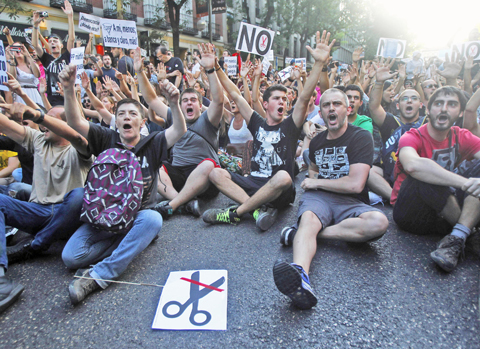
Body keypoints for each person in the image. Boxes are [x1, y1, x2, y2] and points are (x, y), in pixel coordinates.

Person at [60, 58, 187, 304]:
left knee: (153, 218)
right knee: (70, 258)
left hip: (136, 217)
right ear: (115, 122)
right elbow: (75, 122)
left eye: (132, 114)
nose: (126, 117)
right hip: (102, 218)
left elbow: (179, 130)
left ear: (141, 122)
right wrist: (67, 89)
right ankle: (129, 244)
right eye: (121, 114)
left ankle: (98, 276)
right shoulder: (105, 138)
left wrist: (174, 103)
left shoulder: (153, 143)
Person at [202, 30, 335, 231]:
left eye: (284, 98)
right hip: (254, 181)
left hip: (280, 189)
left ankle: (235, 213)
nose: (282, 101)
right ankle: (256, 210)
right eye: (276, 98)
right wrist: (216, 68)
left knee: (284, 177)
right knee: (215, 173)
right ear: (265, 104)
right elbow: (236, 96)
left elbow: (305, 96)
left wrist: (318, 64)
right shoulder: (257, 122)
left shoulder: (290, 125)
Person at [273, 87, 389, 310]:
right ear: (322, 112)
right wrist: (314, 182)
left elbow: (355, 184)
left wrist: (316, 182)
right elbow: (313, 170)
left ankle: (305, 235)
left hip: (351, 200)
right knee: (309, 221)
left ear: (347, 109)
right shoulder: (316, 142)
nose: (331, 109)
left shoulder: (361, 137)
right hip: (320, 199)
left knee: (379, 222)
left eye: (336, 104)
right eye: (326, 105)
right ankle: (300, 276)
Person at [0, 101, 93, 313]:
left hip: (66, 216)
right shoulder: (39, 140)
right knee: (10, 191)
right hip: (37, 213)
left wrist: (37, 115)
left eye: (50, 120)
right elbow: (5, 125)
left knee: (80, 195)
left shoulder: (80, 149)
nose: (42, 125)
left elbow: (77, 137)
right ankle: (1, 281)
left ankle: (34, 247)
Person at [392, 86, 480, 272]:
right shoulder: (412, 136)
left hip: (448, 209)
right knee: (426, 172)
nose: (444, 109)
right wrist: (464, 183)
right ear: (429, 110)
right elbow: (413, 166)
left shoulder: (462, 136)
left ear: (461, 112)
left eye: (452, 104)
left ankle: (457, 237)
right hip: (412, 212)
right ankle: (469, 234)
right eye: (438, 103)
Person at [146, 44, 224, 218]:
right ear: (180, 105)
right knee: (153, 165)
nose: (189, 103)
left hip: (204, 179)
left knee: (209, 164)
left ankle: (171, 205)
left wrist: (210, 69)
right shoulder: (174, 116)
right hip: (178, 176)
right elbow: (150, 99)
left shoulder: (208, 119)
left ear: (200, 104)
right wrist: (142, 73)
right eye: (185, 100)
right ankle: (184, 203)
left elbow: (219, 101)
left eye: (193, 100)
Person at [367, 58, 426, 201]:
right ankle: (396, 199)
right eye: (405, 99)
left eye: (414, 98)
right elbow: (374, 107)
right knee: (369, 172)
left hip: (420, 174)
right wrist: (379, 82)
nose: (410, 101)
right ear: (398, 105)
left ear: (421, 104)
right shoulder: (391, 121)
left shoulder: (428, 123)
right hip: (389, 173)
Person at [31, 2, 75, 106]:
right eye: (50, 41)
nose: (52, 42)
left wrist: (70, 16)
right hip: (52, 98)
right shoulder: (47, 59)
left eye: (55, 41)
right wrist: (35, 25)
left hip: (67, 96)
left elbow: (71, 39)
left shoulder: (66, 57)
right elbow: (35, 45)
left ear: (61, 45)